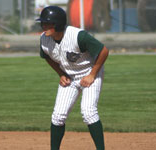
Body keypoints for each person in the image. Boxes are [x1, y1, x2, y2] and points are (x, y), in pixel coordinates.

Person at [36, 5, 109, 150]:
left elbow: (103, 51)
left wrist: (92, 74)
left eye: (47, 23)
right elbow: (46, 56)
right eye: (42, 23)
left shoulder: (78, 36)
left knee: (88, 112)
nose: (43, 26)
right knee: (58, 116)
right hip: (70, 75)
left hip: (89, 72)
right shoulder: (44, 39)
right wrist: (61, 74)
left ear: (58, 24)